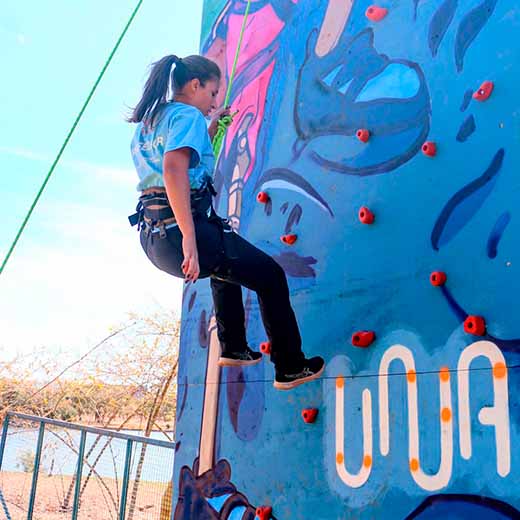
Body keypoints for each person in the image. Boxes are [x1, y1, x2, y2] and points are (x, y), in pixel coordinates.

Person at [127, 54, 324, 390]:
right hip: (180, 230)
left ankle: (233, 347)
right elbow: (173, 170)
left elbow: (174, 166)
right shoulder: (187, 116)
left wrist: (212, 128)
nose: (214, 102)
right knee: (270, 276)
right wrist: (189, 237)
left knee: (225, 260)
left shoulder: (153, 120)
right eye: (213, 92)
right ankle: (290, 365)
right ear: (195, 85)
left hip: (153, 237)